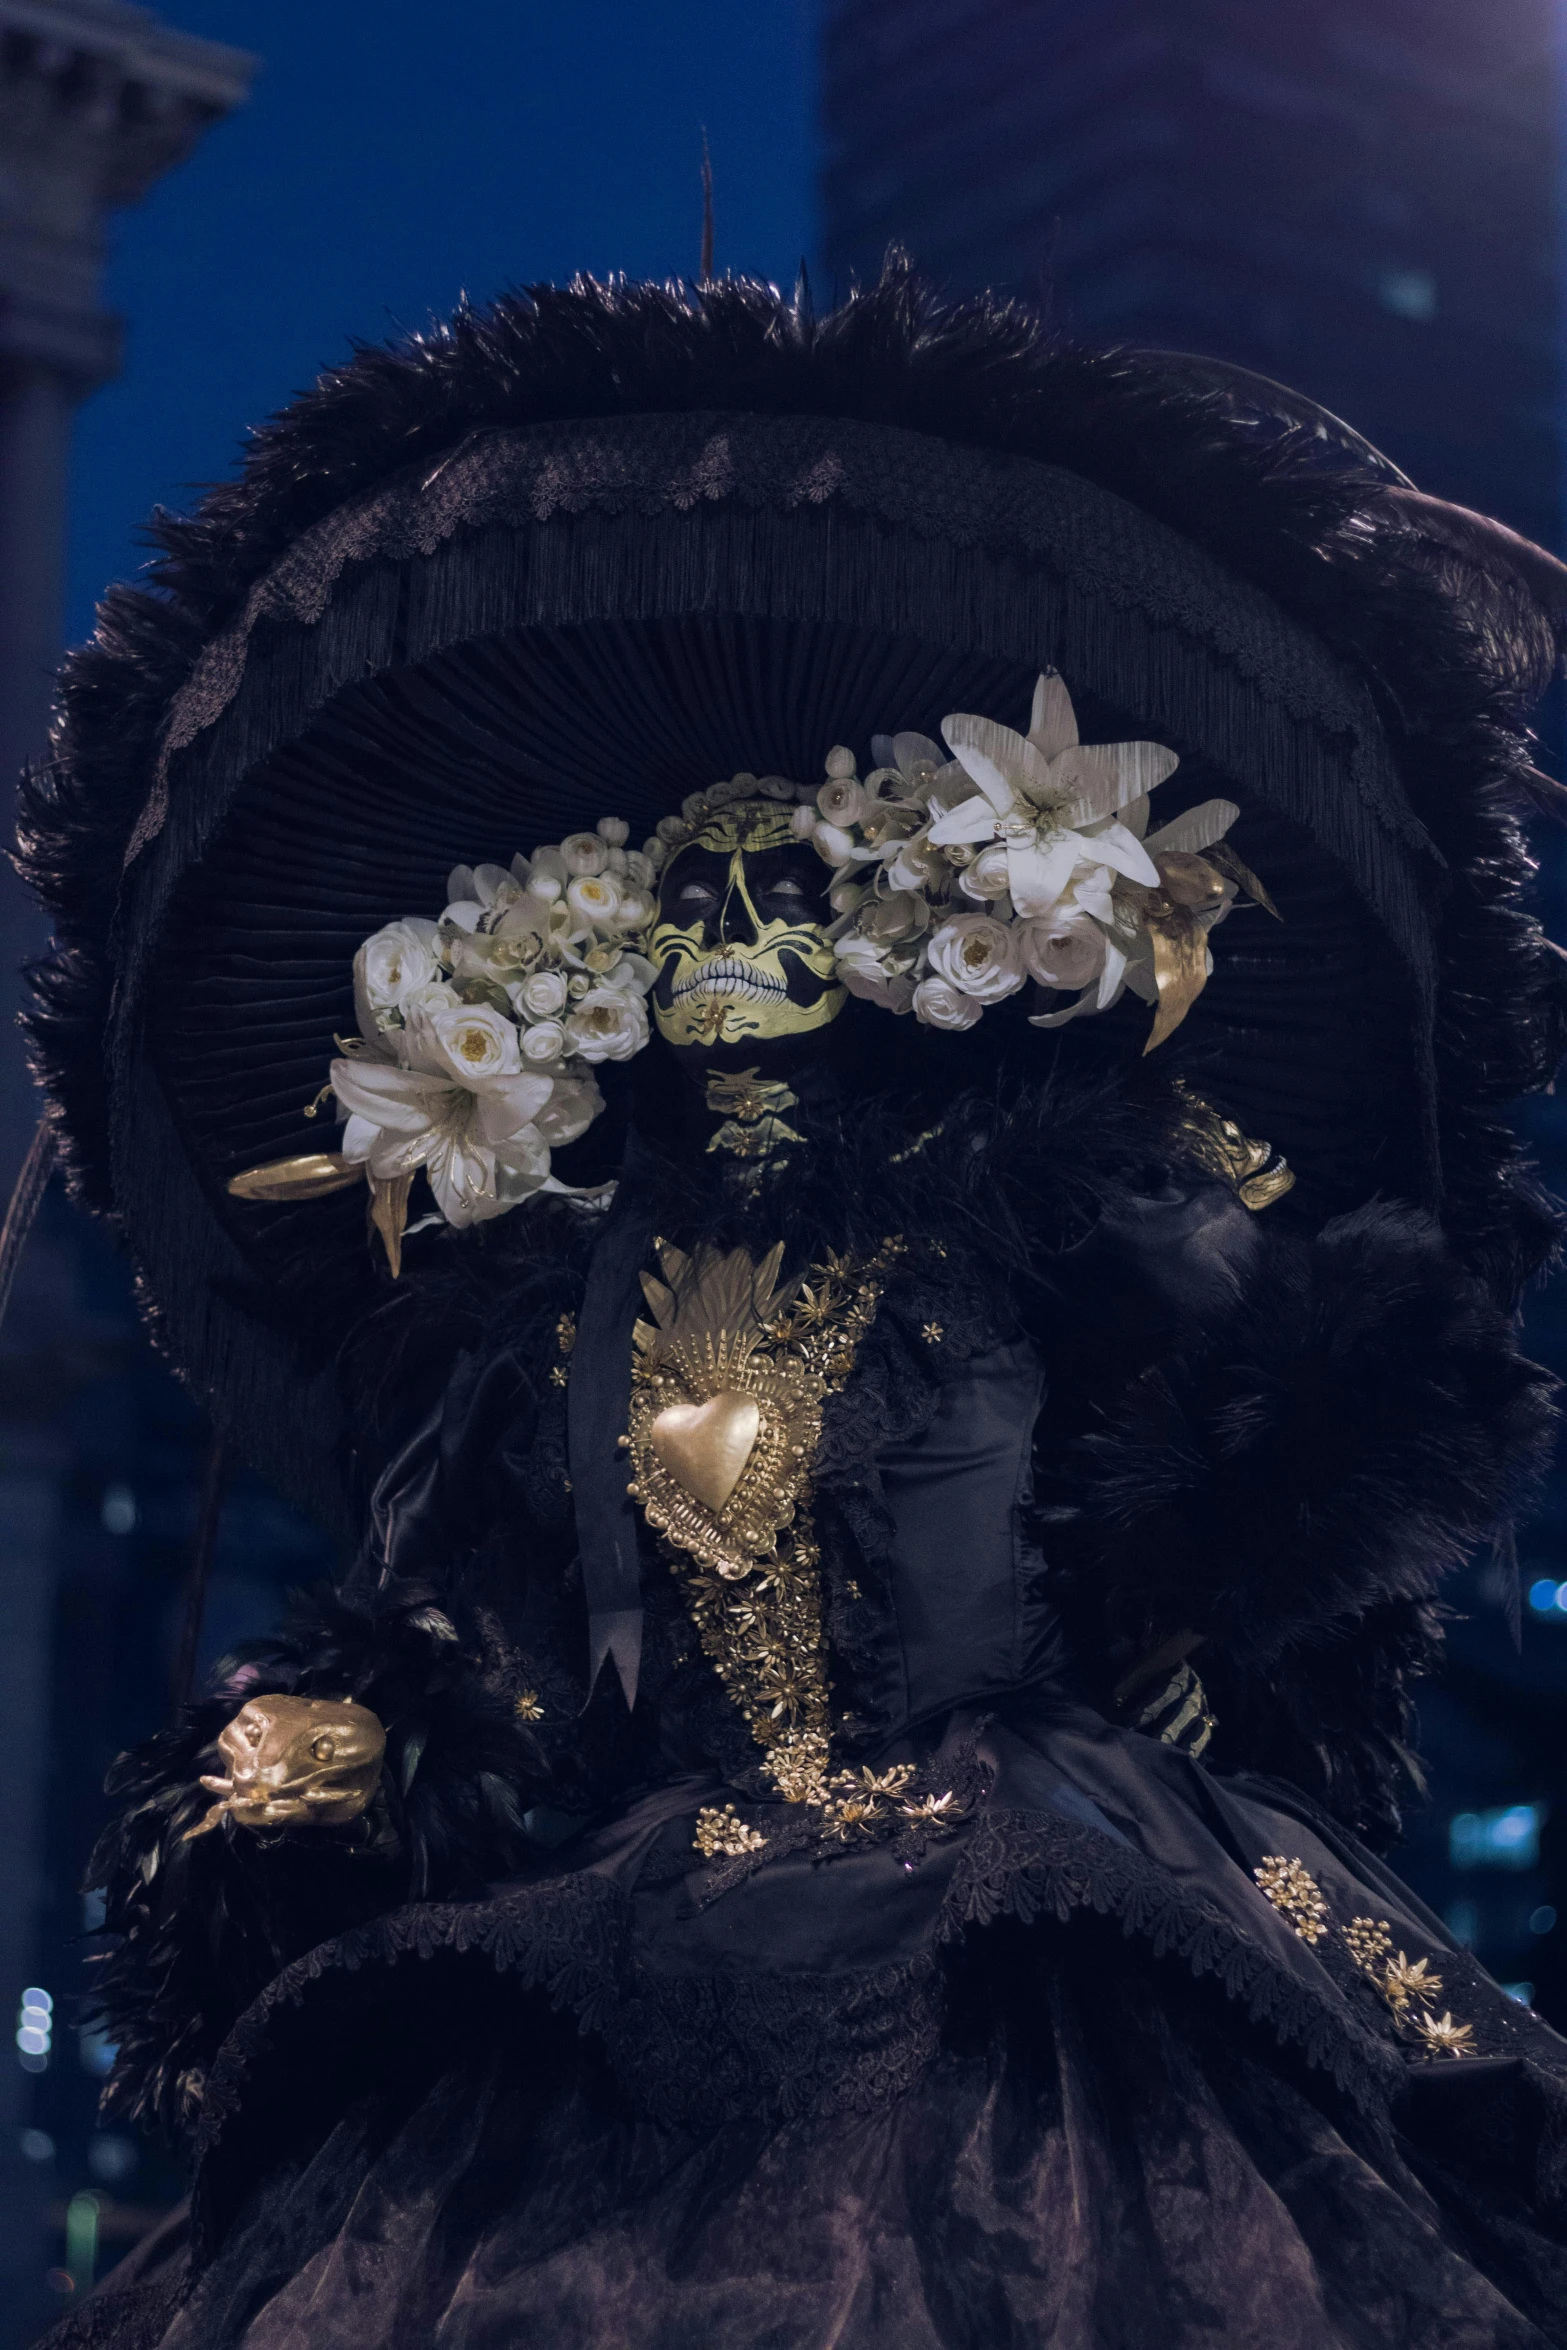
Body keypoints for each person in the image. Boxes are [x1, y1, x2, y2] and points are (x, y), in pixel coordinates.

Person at [28, 262, 1567, 2349]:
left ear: (862, 918)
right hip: (651, 1912)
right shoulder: (552, 1315)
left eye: (776, 890)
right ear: (623, 964)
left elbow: (1359, 1375)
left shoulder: (1038, 1190)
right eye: (692, 903)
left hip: (1047, 1873)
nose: (737, 929)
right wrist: (353, 1735)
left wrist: (1208, 1604)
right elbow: (512, 1649)